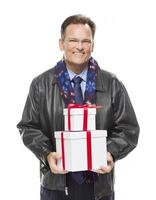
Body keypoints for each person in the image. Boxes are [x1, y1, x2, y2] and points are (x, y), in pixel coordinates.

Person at [17, 14, 140, 200]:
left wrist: (110, 153)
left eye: (86, 41)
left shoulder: (112, 83)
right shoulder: (40, 84)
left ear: (93, 45)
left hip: (99, 184)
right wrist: (47, 154)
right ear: (61, 43)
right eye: (73, 40)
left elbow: (129, 128)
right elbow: (28, 127)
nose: (80, 47)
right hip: (55, 183)